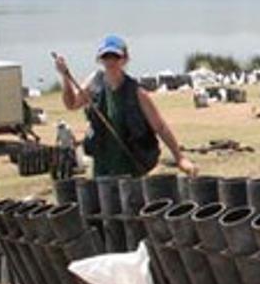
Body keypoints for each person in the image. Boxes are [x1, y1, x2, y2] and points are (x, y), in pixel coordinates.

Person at [53, 35, 197, 178]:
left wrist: (179, 158)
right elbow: (71, 104)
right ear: (100, 59)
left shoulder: (137, 92)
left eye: (115, 57)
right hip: (103, 167)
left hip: (131, 168)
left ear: (124, 59)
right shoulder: (95, 83)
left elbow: (160, 127)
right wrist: (65, 77)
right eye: (106, 57)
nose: (110, 61)